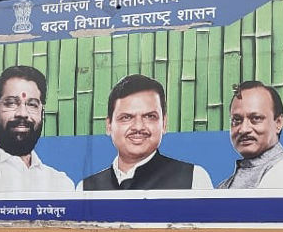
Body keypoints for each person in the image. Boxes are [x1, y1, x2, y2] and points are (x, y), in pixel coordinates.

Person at [0, 65, 74, 193]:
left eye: (32, 105)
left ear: (42, 113)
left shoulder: (61, 183)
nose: (22, 113)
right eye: (11, 103)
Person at [80, 74, 211, 190]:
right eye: (126, 117)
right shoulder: (86, 188)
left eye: (149, 116)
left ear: (164, 123)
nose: (138, 127)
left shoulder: (194, 179)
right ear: (109, 125)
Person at [217, 80, 283, 189]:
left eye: (256, 118)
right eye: (237, 120)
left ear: (278, 122)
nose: (243, 129)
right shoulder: (224, 185)